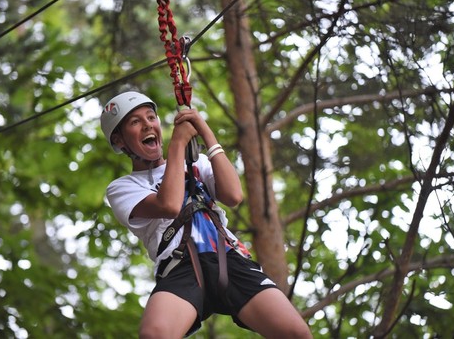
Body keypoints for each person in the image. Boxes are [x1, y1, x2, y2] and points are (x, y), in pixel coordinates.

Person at [100, 91, 313, 339]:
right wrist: (178, 144)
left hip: (227, 257)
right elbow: (168, 205)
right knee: (155, 334)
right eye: (135, 122)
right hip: (181, 265)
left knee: (296, 334)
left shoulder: (196, 163)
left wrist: (205, 131)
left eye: (151, 117)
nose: (148, 124)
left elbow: (233, 195)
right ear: (120, 141)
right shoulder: (122, 188)